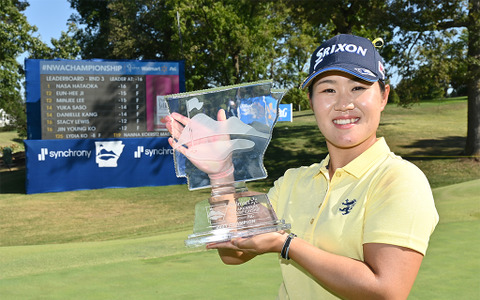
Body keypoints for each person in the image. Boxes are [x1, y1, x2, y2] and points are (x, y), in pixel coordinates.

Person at [165, 34, 439, 300]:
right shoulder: (293, 182)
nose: (344, 103)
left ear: (383, 96)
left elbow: (386, 290)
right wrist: (222, 175)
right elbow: (233, 253)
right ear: (311, 102)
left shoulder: (400, 180)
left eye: (358, 87)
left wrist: (287, 245)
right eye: (328, 90)